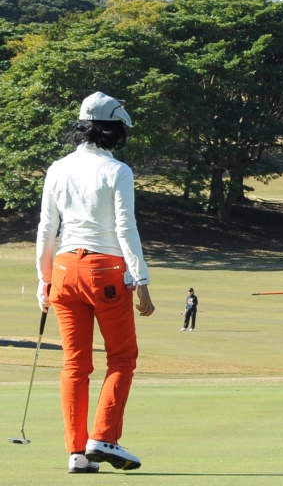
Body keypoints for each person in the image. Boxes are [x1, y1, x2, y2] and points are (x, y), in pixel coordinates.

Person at [36, 92, 155, 474]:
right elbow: (125, 228)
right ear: (114, 131)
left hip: (65, 271)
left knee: (75, 364)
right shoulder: (117, 170)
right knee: (121, 357)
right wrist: (141, 280)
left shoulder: (57, 168)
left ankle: (77, 453)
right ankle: (104, 436)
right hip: (105, 270)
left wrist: (44, 280)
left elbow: (46, 228)